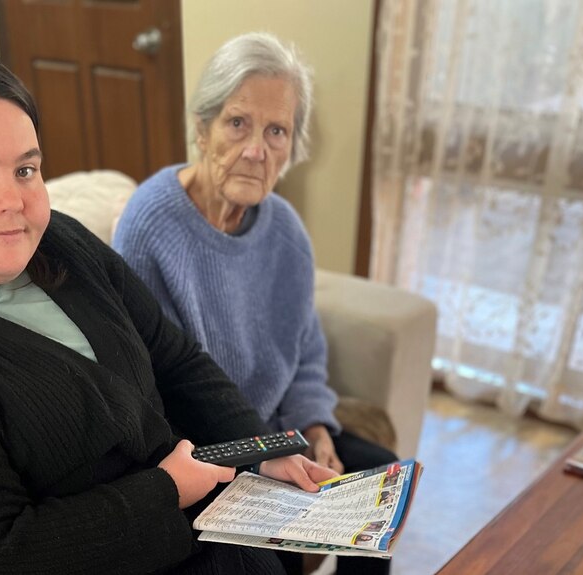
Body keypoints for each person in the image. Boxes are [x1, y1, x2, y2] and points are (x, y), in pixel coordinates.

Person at [0, 30, 337, 575]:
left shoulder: (59, 242)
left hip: (208, 531)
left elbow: (175, 358)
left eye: (26, 169)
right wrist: (164, 492)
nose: (13, 202)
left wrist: (261, 448)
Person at [112, 32, 397, 575]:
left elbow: (306, 347)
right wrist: (259, 456)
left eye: (276, 131)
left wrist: (315, 428)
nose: (255, 150)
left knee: (378, 481)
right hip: (204, 452)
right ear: (202, 127)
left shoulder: (286, 232)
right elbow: (154, 389)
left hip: (277, 433)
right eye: (238, 122)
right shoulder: (150, 227)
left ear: (292, 148)